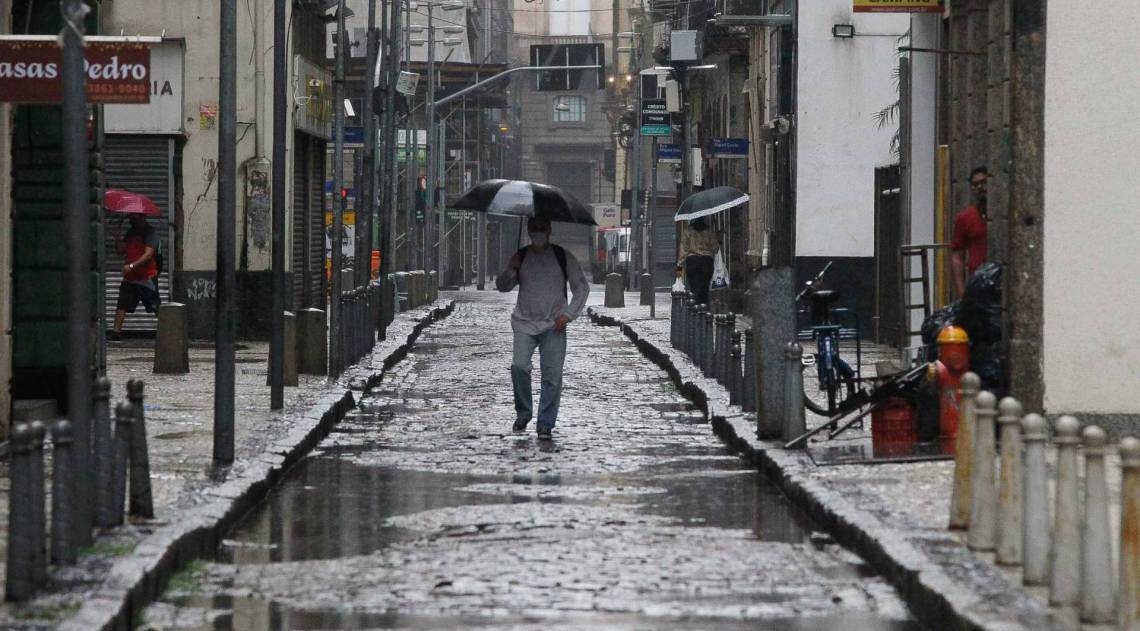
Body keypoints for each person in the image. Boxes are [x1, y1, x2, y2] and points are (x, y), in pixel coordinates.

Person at [496, 216, 590, 440]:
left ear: (549, 229)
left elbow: (581, 288)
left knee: (552, 376)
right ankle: (524, 412)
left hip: (553, 326)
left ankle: (545, 422)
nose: (538, 231)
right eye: (534, 227)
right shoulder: (522, 256)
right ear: (528, 229)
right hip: (524, 323)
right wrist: (511, 268)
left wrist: (568, 315)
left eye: (542, 227)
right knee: (519, 367)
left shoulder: (562, 256)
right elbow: (502, 287)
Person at [110, 214, 160, 341]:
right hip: (131, 277)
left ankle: (168, 331)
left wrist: (131, 265)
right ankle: (116, 332)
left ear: (141, 217)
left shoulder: (150, 232)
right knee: (122, 303)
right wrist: (117, 238)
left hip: (146, 276)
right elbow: (121, 250)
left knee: (155, 306)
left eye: (133, 218)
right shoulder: (131, 232)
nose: (130, 220)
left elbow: (148, 254)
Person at [950, 166, 990, 297]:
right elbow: (957, 256)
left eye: (983, 182)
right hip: (977, 280)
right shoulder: (965, 217)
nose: (980, 187)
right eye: (975, 185)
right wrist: (962, 293)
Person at [676, 216, 719, 305]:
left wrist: (678, 272)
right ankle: (705, 308)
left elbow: (683, 251)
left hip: (693, 262)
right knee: (705, 287)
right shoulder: (709, 231)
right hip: (706, 262)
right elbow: (716, 249)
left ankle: (695, 308)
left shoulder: (688, 231)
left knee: (694, 287)